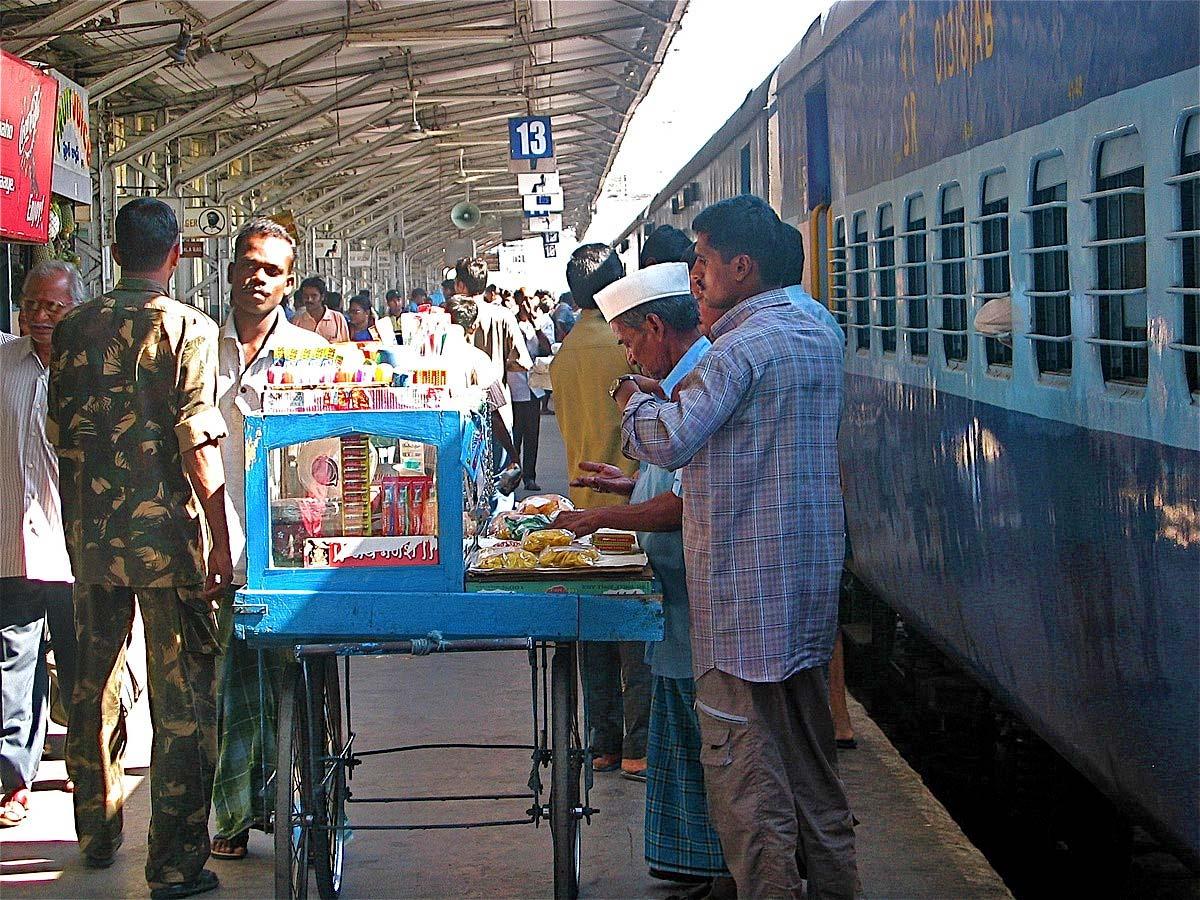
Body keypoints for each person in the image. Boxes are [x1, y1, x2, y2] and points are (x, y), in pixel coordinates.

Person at [614, 195, 858, 899]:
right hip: (804, 589)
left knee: (749, 785)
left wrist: (633, 396)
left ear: (740, 267)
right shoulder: (816, 325)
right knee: (812, 774)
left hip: (741, 598)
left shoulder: (742, 346)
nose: (694, 275)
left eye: (702, 260)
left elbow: (667, 438)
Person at [48, 197, 233, 899]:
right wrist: (220, 544)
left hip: (92, 541)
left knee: (92, 688)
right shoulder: (188, 328)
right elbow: (199, 443)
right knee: (182, 699)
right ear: (175, 254)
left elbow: (58, 430)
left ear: (116, 252)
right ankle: (176, 863)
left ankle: (95, 834)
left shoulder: (71, 329)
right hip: (167, 549)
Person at [555, 263, 729, 891]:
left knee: (700, 738)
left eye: (629, 342)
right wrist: (627, 485)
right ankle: (696, 866)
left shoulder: (698, 386)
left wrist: (604, 515)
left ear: (657, 327)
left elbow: (687, 504)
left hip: (698, 601)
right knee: (682, 732)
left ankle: (716, 869)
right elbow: (679, 482)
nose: (626, 355)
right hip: (677, 598)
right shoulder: (677, 382)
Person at [210, 220, 328, 861]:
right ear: (230, 269)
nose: (258, 277)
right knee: (225, 687)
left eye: (272, 270)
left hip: (293, 545)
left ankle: (302, 803)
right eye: (249, 264)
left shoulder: (313, 353)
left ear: (288, 283)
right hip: (212, 539)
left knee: (292, 682)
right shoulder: (199, 346)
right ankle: (229, 815)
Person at [551, 243, 648, 780]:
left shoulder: (565, 353)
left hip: (581, 503)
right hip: (630, 504)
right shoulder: (623, 346)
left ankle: (602, 743)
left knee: (593, 634)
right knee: (634, 633)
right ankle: (638, 746)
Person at [0, 261, 83, 828]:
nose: (41, 315)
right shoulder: (3, 363)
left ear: (74, 310)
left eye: (54, 306)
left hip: (77, 550)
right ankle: (13, 779)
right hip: (12, 545)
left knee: (83, 664)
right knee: (13, 662)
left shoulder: (92, 371)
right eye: (32, 303)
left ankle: (88, 759)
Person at [778, 220, 856, 749]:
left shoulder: (761, 330)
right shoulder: (821, 321)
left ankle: (817, 728)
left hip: (778, 496)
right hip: (818, 488)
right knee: (821, 613)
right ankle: (838, 717)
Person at [443, 294, 521, 481]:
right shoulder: (477, 359)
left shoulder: (428, 357)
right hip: (468, 450)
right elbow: (493, 412)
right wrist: (513, 454)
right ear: (473, 326)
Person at [454, 258, 531, 434]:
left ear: (460, 286)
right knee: (499, 459)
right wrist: (500, 365)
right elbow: (523, 362)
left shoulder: (450, 315)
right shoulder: (504, 316)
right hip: (498, 408)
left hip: (461, 411)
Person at [509, 294, 551, 491]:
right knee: (514, 437)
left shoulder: (535, 328)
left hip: (533, 389)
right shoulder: (511, 325)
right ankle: (512, 476)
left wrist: (535, 324)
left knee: (531, 436)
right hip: (515, 389)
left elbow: (547, 347)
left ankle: (530, 477)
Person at [293, 276, 349, 342]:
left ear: (322, 297)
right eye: (305, 296)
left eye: (314, 296)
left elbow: (346, 345)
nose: (309, 299)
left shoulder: (337, 318)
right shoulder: (297, 321)